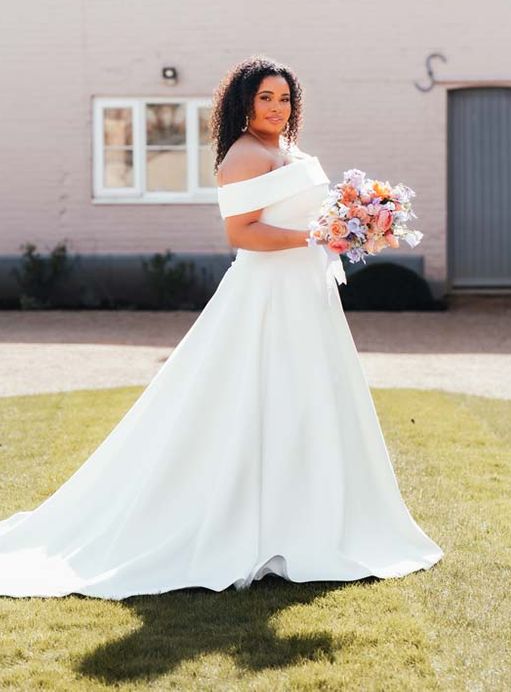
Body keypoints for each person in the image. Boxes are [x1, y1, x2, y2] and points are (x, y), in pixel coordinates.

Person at [0, 54, 444, 600]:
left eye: (284, 98)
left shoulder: (285, 149)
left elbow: (309, 211)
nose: (277, 108)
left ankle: (310, 518)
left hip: (306, 295)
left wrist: (359, 219)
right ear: (244, 102)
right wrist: (318, 237)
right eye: (266, 98)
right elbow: (242, 232)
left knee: (308, 400)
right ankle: (240, 522)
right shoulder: (243, 155)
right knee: (250, 400)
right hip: (266, 295)